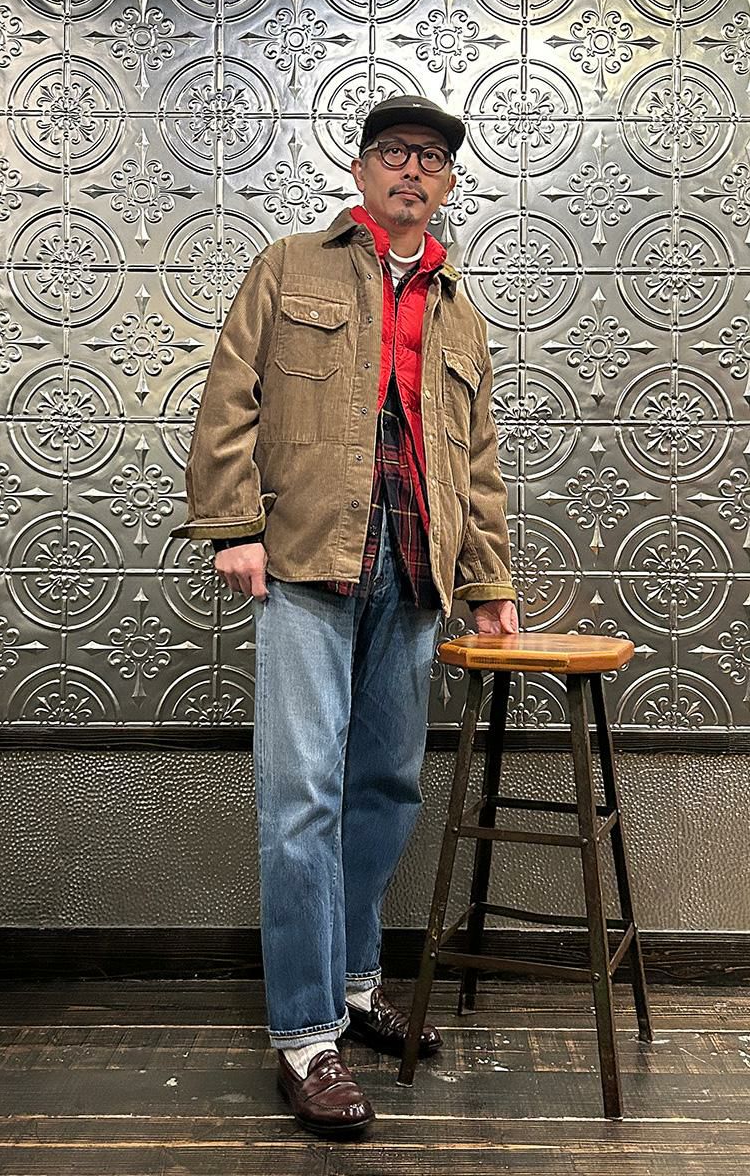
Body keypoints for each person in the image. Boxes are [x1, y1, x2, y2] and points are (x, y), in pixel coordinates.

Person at [173, 94, 518, 1136]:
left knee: (385, 787)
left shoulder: (459, 310)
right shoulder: (290, 266)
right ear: (362, 170)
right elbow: (229, 397)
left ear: (447, 186)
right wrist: (232, 525)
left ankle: (357, 983)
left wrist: (490, 581)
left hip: (414, 571)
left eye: (432, 159)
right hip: (307, 563)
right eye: (394, 152)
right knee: (300, 799)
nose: (412, 169)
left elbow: (478, 462)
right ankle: (304, 1036)